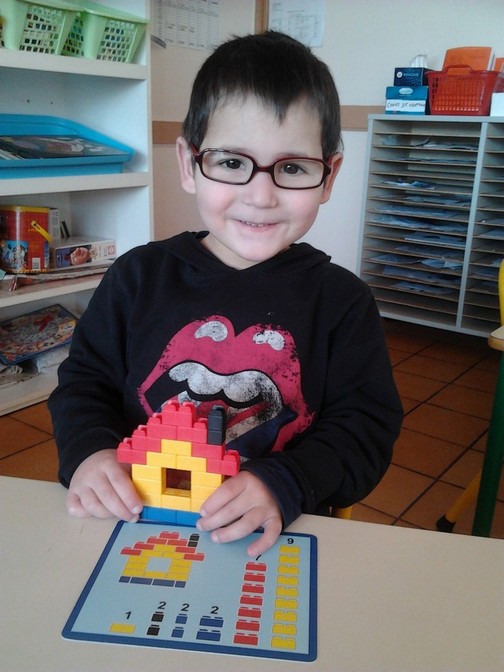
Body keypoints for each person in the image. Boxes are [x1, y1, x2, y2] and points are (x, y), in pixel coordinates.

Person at [49, 31, 402, 557]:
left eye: (292, 168)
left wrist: (288, 480)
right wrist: (89, 452)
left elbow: (366, 429)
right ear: (189, 164)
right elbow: (83, 384)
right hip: (134, 520)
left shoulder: (342, 302)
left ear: (328, 177)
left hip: (274, 534)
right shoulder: (137, 277)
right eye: (233, 163)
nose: (260, 196)